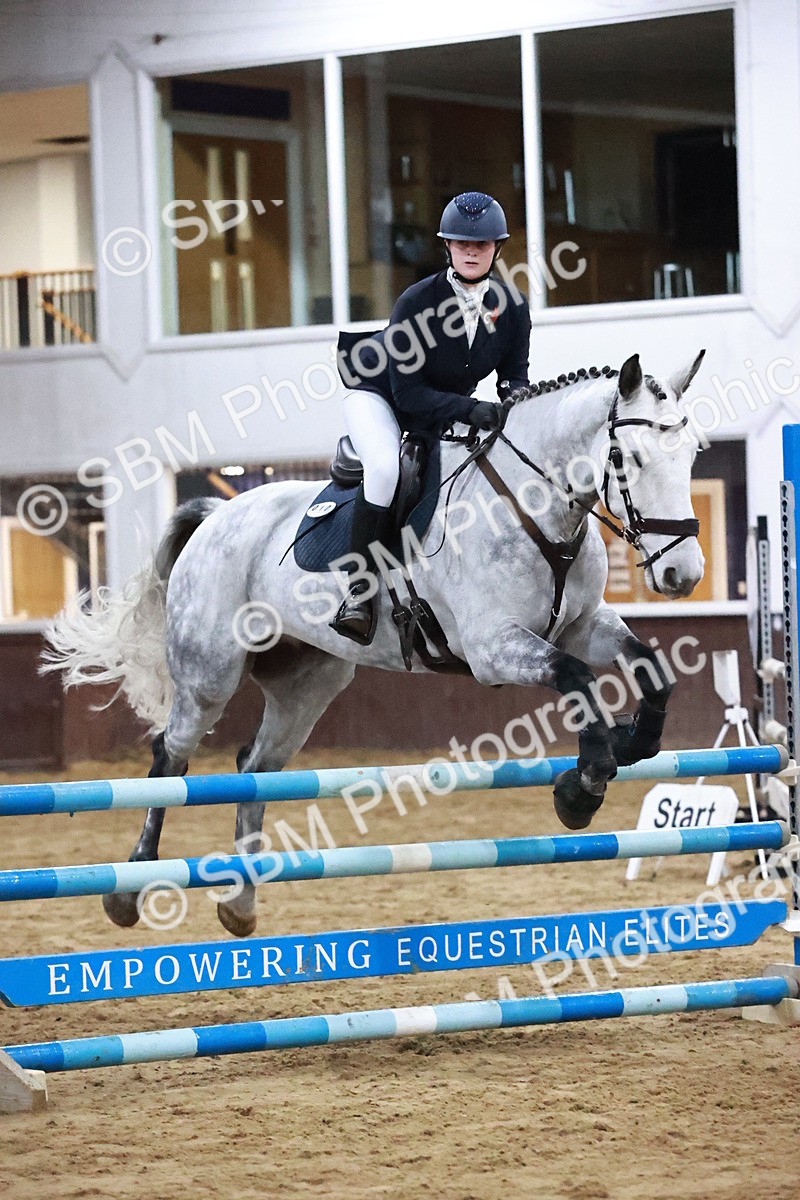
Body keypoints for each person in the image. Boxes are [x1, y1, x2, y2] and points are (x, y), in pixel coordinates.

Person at [330, 190, 532, 645]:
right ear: (448, 247)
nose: (471, 252)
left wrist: (516, 409)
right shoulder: (416, 302)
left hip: (441, 408)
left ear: (497, 248)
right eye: (462, 244)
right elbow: (410, 394)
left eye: (481, 245)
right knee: (383, 470)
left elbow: (513, 379)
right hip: (381, 397)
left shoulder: (513, 308)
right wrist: (471, 409)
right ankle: (359, 593)